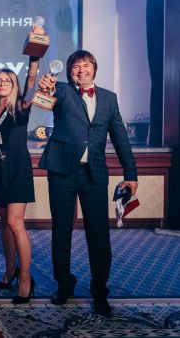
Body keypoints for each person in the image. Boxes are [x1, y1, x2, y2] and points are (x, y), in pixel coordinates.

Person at [38, 49, 138, 316]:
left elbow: (120, 137)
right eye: (76, 67)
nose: (81, 70)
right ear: (69, 71)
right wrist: (45, 87)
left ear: (94, 68)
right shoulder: (62, 91)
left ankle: (99, 291)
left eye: (85, 65)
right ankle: (64, 284)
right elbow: (46, 95)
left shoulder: (109, 98)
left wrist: (131, 175)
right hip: (62, 171)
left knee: (99, 234)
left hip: (94, 174)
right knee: (61, 231)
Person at [0, 56, 39, 303]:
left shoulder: (20, 107)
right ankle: (10, 271)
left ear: (14, 85)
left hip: (18, 168)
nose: (2, 83)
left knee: (15, 222)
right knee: (4, 224)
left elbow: (31, 83)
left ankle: (25, 279)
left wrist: (34, 60)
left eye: (7, 80)